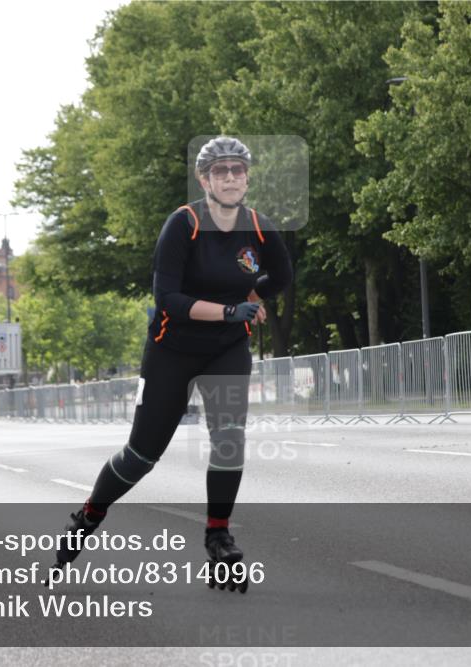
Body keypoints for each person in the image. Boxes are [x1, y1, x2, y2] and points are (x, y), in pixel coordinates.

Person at [51, 137, 293, 589]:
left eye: (237, 170)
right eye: (219, 171)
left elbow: (281, 277)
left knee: (228, 440)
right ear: (204, 180)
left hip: (226, 349)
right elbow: (169, 299)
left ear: (247, 176)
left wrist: (248, 298)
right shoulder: (183, 225)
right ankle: (89, 515)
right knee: (143, 454)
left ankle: (218, 536)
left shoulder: (260, 228)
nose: (230, 178)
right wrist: (228, 310)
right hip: (172, 350)